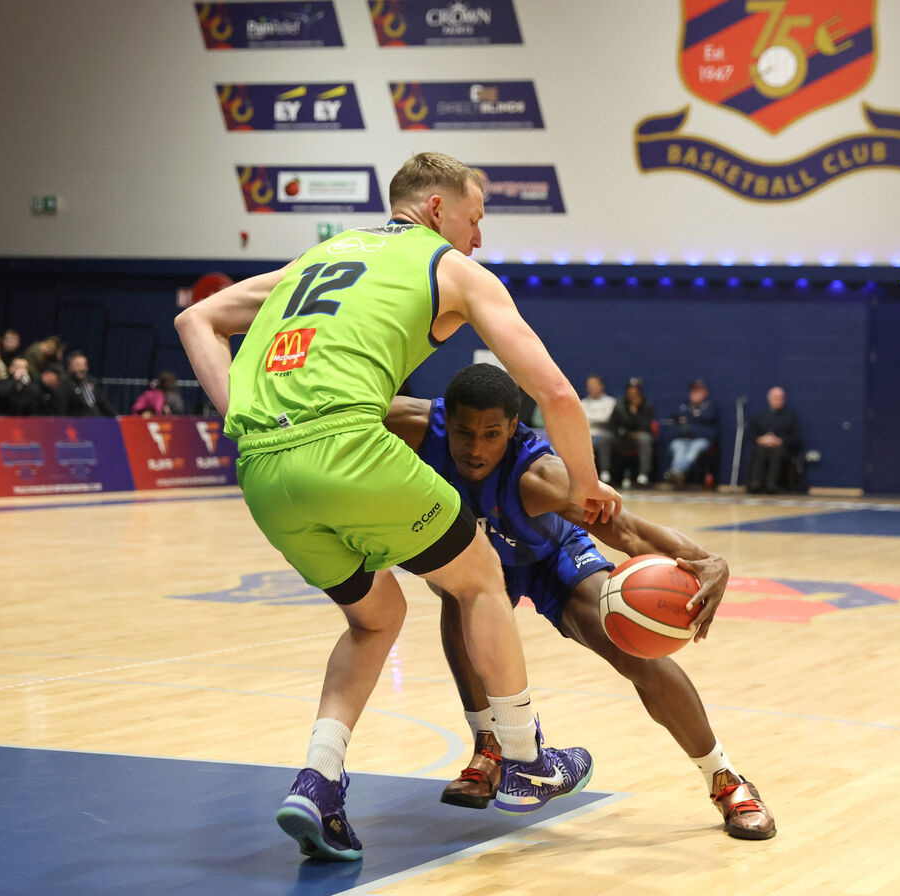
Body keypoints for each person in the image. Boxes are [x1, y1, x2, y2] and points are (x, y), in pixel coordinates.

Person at [174, 151, 621, 862]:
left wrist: (243, 418)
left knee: (376, 616)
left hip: (262, 471)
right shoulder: (450, 267)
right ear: (438, 209)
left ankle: (319, 780)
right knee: (479, 578)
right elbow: (558, 395)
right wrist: (586, 485)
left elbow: (198, 318)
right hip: (350, 446)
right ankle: (526, 755)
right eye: (475, 219)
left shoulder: (315, 260)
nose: (479, 238)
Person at [385, 364, 775, 839]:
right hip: (480, 559)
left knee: (632, 650)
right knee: (459, 596)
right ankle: (490, 746)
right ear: (448, 420)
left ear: (512, 427)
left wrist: (707, 559)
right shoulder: (407, 424)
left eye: (491, 434)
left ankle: (726, 779)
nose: (474, 448)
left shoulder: (541, 478)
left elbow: (629, 531)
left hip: (551, 555)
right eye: (464, 432)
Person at [665, 378, 720, 490]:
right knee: (678, 448)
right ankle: (678, 473)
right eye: (693, 390)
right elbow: (674, 428)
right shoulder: (682, 406)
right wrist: (696, 422)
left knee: (694, 449)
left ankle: (676, 472)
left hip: (701, 440)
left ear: (705, 392)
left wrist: (688, 423)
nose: (695, 394)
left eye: (698, 391)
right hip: (681, 439)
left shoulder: (710, 408)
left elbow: (709, 431)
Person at [746, 386, 802, 494]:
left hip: (781, 448)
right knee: (760, 451)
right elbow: (750, 435)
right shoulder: (760, 416)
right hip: (763, 446)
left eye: (780, 398)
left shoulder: (790, 417)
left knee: (777, 453)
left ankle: (772, 484)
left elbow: (795, 437)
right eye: (775, 398)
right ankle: (755, 483)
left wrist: (780, 441)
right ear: (769, 399)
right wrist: (761, 439)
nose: (778, 400)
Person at [608, 378, 656, 488]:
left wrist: (635, 413)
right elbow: (612, 425)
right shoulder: (620, 404)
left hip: (638, 440)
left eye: (635, 391)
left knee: (645, 438)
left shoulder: (646, 405)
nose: (633, 394)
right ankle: (605, 473)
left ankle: (643, 475)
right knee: (606, 438)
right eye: (630, 391)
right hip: (622, 438)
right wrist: (626, 432)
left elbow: (646, 426)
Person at [580, 375, 617, 482]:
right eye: (590, 386)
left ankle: (605, 471)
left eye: (595, 385)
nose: (592, 388)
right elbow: (579, 419)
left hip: (603, 434)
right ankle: (581, 474)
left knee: (605, 440)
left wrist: (588, 417)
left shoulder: (610, 402)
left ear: (601, 386)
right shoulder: (583, 402)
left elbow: (605, 419)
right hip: (587, 434)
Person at [64, 353, 116, 417]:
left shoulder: (90, 382)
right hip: (77, 423)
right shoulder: (66, 385)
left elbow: (103, 403)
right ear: (70, 368)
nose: (81, 368)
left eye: (84, 365)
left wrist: (117, 417)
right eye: (78, 365)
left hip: (95, 421)